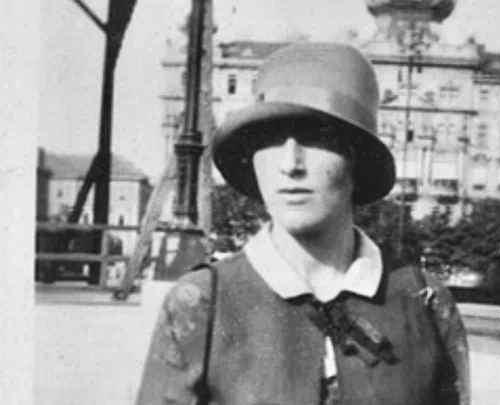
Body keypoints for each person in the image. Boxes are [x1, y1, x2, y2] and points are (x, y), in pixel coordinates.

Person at [136, 42, 470, 405]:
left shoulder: (425, 304)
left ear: (357, 159)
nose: (290, 164)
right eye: (270, 140)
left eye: (315, 138)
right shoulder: (202, 303)